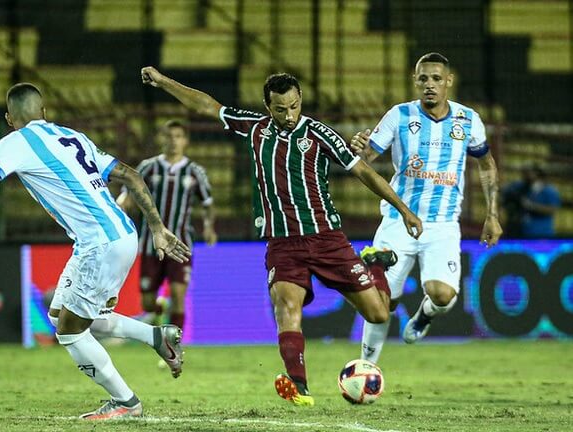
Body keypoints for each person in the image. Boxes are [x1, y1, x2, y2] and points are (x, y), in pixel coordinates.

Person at [0, 83, 191, 420]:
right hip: (116, 235)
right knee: (62, 315)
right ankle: (156, 335)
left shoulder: (17, 141)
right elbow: (131, 176)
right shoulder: (73, 136)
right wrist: (157, 228)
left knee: (70, 331)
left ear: (9, 118)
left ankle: (126, 403)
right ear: (44, 112)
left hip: (100, 244)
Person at [141, 66, 423, 406]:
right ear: (267, 106)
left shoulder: (320, 135)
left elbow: (363, 172)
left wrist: (405, 210)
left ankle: (374, 264)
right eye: (280, 109)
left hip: (326, 239)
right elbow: (205, 105)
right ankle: (299, 385)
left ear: (300, 100)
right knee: (286, 308)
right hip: (282, 243)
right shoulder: (255, 128)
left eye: (293, 106)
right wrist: (164, 81)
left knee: (378, 314)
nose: (289, 115)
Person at [349, 52, 503, 364]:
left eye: (436, 78)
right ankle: (367, 367)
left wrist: (492, 213)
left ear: (449, 81)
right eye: (423, 79)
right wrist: (357, 148)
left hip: (443, 224)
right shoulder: (399, 116)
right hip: (398, 220)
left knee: (443, 295)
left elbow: (486, 164)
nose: (429, 85)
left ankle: (424, 315)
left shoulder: (468, 120)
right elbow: (365, 160)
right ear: (415, 82)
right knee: (380, 301)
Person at [117, 120, 217, 329]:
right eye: (169, 136)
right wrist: (121, 206)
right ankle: (158, 312)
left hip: (181, 244)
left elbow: (207, 203)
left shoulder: (194, 172)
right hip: (151, 244)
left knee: (179, 295)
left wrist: (208, 226)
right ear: (161, 139)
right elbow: (127, 193)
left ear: (185, 141)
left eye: (178, 136)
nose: (173, 141)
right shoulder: (148, 167)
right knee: (147, 302)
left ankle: (174, 344)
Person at [501, 164, 560, 238]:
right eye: (524, 172)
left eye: (528, 172)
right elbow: (505, 190)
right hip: (522, 231)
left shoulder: (549, 190)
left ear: (537, 173)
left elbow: (552, 209)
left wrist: (532, 206)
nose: (525, 175)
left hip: (541, 233)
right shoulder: (522, 187)